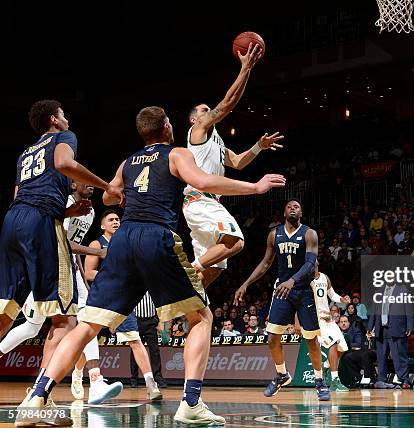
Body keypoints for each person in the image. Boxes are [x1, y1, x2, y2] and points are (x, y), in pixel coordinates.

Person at [15, 106, 285, 426]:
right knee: (201, 317)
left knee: (87, 325)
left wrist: (125, 194)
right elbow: (204, 181)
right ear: (167, 127)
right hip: (156, 237)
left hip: (123, 241)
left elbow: (108, 198)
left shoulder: (128, 162)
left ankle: (36, 398)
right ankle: (191, 402)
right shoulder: (176, 154)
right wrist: (254, 187)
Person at [1, 100, 122, 425]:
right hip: (40, 225)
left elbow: (22, 196)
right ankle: (36, 400)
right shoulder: (61, 138)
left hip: (13, 222)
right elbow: (66, 163)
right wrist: (106, 184)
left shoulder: (26, 153)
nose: (67, 119)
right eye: (64, 114)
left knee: (4, 313)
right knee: (64, 320)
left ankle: (42, 402)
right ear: (54, 119)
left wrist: (65, 212)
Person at [0, 183, 121, 405]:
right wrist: (97, 251)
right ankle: (43, 388)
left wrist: (83, 281)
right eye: (87, 182)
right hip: (46, 266)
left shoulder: (90, 211)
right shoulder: (63, 203)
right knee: (33, 326)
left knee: (85, 316)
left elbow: (72, 247)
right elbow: (58, 240)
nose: (92, 187)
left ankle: (93, 381)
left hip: (69, 268)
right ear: (73, 184)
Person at [184, 42, 283, 289]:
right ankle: (184, 273)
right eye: (205, 110)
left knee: (214, 270)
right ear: (195, 118)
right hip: (200, 200)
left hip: (208, 203)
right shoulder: (197, 131)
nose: (210, 112)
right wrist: (245, 69)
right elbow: (227, 104)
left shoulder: (216, 141)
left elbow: (238, 162)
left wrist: (259, 146)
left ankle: (182, 314)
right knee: (236, 242)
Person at [234, 199, 330, 401]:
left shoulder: (309, 233)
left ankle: (320, 382)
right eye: (289, 206)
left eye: (297, 206)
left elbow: (311, 264)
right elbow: (266, 263)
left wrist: (292, 281)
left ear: (301, 212)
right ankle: (282, 374)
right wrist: (246, 283)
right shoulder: (274, 234)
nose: (293, 208)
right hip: (282, 290)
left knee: (311, 339)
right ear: (284, 212)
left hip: (303, 290)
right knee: (271, 337)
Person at [84, 209, 162, 402]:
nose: (116, 222)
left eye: (118, 219)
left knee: (135, 340)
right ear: (102, 225)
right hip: (101, 298)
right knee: (85, 339)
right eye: (110, 219)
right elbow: (88, 273)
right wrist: (111, 277)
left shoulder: (126, 243)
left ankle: (151, 384)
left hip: (122, 300)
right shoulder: (96, 244)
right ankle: (78, 374)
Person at [307, 263, 351, 392]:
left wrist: (342, 299)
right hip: (317, 320)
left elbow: (332, 295)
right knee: (332, 344)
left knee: (342, 347)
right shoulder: (305, 280)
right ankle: (335, 380)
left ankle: (326, 365)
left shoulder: (325, 277)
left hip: (329, 319)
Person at [367, 283, 413, 389]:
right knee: (381, 356)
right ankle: (382, 379)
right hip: (381, 328)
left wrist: (409, 326)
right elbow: (374, 311)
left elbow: (409, 310)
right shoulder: (378, 291)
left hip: (397, 328)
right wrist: (370, 326)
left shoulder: (403, 291)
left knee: (399, 355)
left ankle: (404, 379)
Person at [130, 292, 166, 389]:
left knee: (155, 350)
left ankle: (158, 378)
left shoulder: (151, 286)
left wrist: (160, 321)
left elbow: (158, 304)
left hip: (151, 321)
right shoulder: (135, 287)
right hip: (137, 321)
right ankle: (134, 378)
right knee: (135, 350)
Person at [338, 315, 377, 386]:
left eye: (345, 321)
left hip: (357, 351)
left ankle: (367, 379)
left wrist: (346, 345)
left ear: (349, 323)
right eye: (341, 322)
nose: (343, 323)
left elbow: (358, 343)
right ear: (339, 324)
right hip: (343, 353)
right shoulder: (337, 332)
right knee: (346, 357)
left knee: (352, 356)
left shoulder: (355, 330)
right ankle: (357, 378)